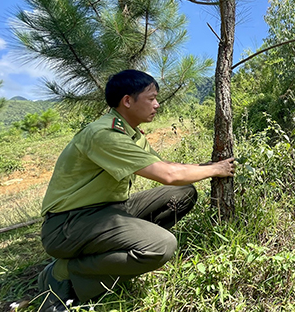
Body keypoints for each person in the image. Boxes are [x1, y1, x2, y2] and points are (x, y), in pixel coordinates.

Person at [37, 70, 234, 311]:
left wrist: (205, 168)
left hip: (110, 209)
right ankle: (63, 273)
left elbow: (167, 168)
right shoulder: (104, 135)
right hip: (68, 224)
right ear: (127, 101)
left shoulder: (132, 133)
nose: (157, 104)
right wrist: (216, 170)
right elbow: (167, 175)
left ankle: (123, 249)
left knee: (183, 192)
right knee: (162, 246)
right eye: (151, 98)